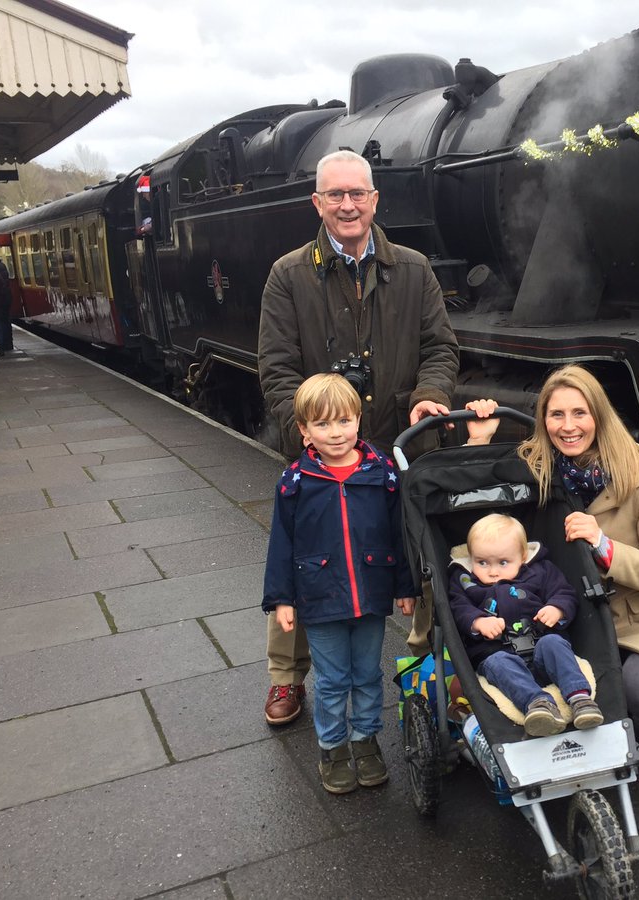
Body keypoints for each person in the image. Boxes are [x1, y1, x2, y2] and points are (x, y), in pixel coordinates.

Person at [256, 148, 459, 727]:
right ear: (317, 203)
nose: (348, 205)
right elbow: (275, 367)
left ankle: (425, 665)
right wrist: (309, 435)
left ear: (375, 199)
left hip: (397, 440)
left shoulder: (414, 269)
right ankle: (286, 678)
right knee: (304, 559)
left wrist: (433, 396)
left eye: (358, 194)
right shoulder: (287, 275)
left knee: (419, 554)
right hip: (322, 452)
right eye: (336, 195)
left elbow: (441, 349)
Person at [475, 366, 639, 765]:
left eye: (580, 413)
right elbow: (489, 527)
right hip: (568, 612)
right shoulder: (539, 468)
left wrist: (604, 544)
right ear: (543, 420)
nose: (568, 426)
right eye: (556, 415)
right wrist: (480, 440)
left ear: (599, 415)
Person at [262, 373, 417, 794]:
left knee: (368, 674)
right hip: (319, 596)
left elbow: (398, 533)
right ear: (304, 430)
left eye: (345, 421)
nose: (336, 433)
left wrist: (405, 586)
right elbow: (282, 543)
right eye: (324, 424)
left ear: (359, 419)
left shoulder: (382, 472)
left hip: (370, 594)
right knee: (332, 680)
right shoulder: (295, 482)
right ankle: (333, 747)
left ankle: (365, 741)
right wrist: (281, 598)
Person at [449, 513, 604, 737]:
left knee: (554, 643)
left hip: (541, 646)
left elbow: (565, 593)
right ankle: (538, 705)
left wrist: (557, 608)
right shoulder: (465, 581)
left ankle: (580, 699)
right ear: (471, 557)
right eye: (482, 562)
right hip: (497, 652)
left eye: (503, 563)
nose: (492, 571)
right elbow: (458, 608)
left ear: (522, 557)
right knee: (498, 662)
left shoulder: (540, 571)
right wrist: (478, 622)